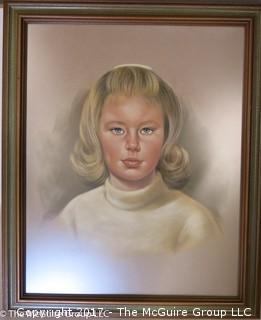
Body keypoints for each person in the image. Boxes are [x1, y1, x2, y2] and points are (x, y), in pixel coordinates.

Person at [58, 64, 220, 255]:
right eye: (117, 130)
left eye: (146, 130)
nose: (132, 144)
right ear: (96, 134)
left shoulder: (193, 221)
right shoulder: (74, 216)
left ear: (166, 136)